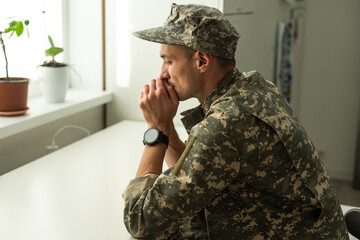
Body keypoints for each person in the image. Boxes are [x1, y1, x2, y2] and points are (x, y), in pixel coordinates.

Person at [122, 3, 349, 240]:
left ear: (201, 61)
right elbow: (194, 175)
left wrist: (156, 130)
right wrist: (167, 126)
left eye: (168, 61)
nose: (162, 74)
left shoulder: (226, 124)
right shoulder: (256, 88)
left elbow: (139, 220)